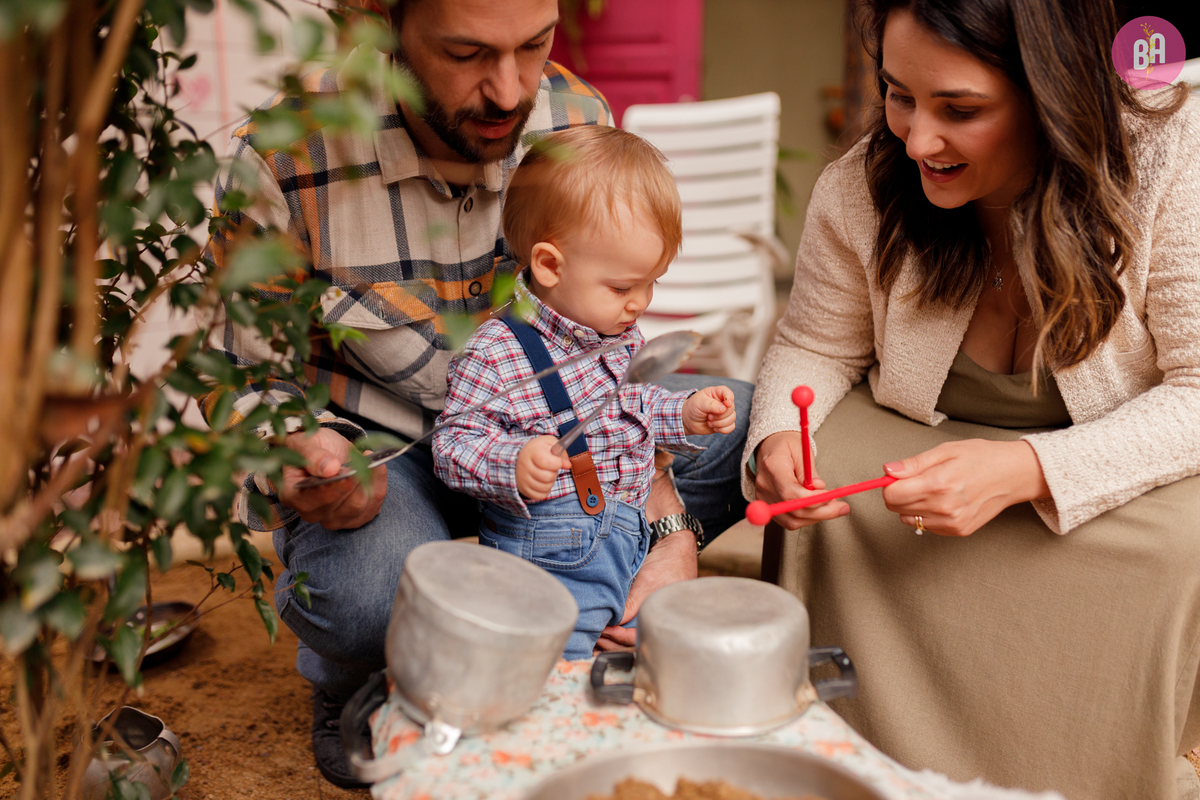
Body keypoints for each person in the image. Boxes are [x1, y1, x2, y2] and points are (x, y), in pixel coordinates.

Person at [202, 0, 753, 788]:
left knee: (746, 423)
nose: (510, 90)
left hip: (555, 448)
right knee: (366, 597)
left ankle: (599, 592)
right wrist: (297, 451)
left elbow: (615, 375)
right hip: (387, 464)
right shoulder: (290, 155)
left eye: (534, 45)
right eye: (466, 55)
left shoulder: (573, 118)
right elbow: (239, 376)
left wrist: (671, 534)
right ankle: (361, 675)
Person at [745, 0, 1200, 798]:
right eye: (899, 95)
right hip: (913, 469)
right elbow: (814, 346)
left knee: (1180, 543)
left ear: (1055, 93)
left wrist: (1027, 469)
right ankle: (852, 766)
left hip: (1106, 468)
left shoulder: (1172, 157)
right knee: (829, 498)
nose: (916, 140)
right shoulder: (863, 185)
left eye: (960, 111)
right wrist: (778, 438)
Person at [432, 127, 737, 660]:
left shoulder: (618, 334)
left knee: (635, 661)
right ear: (550, 266)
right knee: (547, 668)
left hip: (625, 545)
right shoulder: (497, 352)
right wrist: (512, 462)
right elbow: (452, 445)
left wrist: (684, 412)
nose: (640, 303)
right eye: (622, 287)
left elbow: (633, 409)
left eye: (652, 283)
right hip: (548, 564)